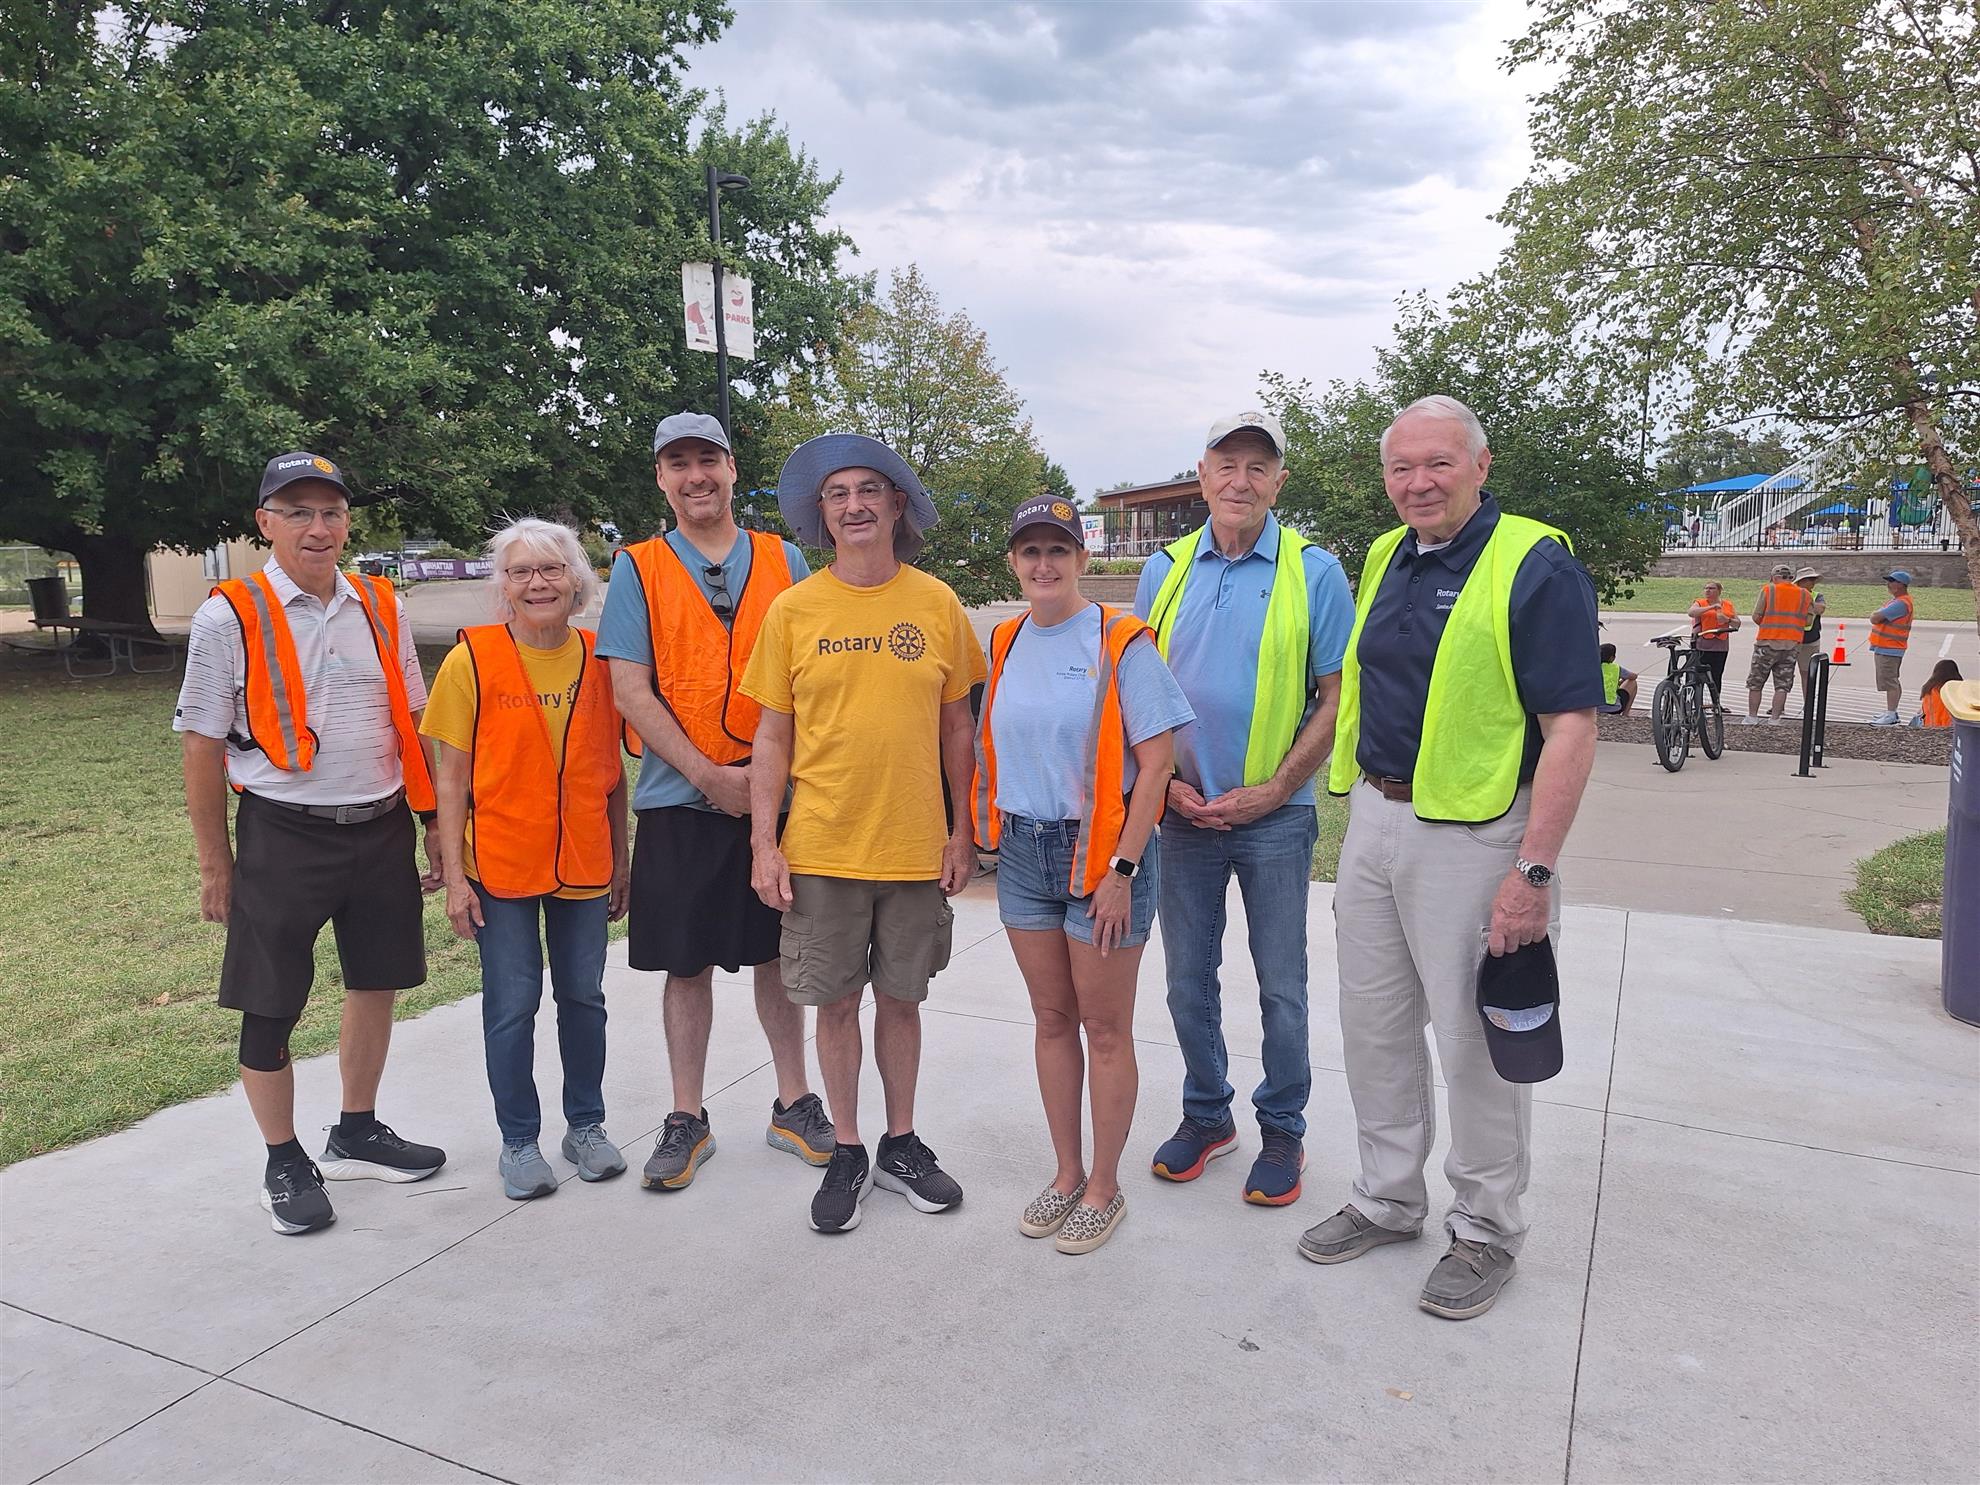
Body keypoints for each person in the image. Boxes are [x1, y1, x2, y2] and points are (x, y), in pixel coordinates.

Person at [1302, 395, 1600, 1321]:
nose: (1418, 483)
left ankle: (1486, 1228)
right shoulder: (1389, 553)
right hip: (1379, 823)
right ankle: (1389, 1197)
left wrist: (1534, 871)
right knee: (1376, 1027)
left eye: (1438, 464)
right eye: (1401, 468)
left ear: (1481, 465)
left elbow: (1572, 727)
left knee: (1473, 1045)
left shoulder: (1534, 563)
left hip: (1476, 837)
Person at [176, 452, 446, 1236]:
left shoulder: (379, 603)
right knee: (270, 1000)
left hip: (382, 823)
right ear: (264, 523)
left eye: (330, 512)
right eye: (297, 512)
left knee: (376, 980)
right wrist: (214, 862)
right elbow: (200, 743)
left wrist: (431, 825)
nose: (318, 528)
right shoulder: (229, 614)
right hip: (284, 833)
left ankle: (355, 1128)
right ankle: (283, 1156)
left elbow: (413, 715)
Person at [742, 432, 987, 1234]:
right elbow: (771, 738)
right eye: (838, 493)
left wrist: (961, 832)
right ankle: (846, 1146)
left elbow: (959, 729)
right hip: (822, 846)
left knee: (903, 1001)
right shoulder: (793, 609)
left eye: (869, 490)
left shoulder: (937, 604)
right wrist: (764, 842)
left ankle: (902, 1142)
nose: (854, 504)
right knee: (836, 1003)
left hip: (915, 845)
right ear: (824, 512)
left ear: (897, 506)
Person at [596, 413, 832, 1190]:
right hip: (680, 799)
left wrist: (765, 785)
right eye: (678, 463)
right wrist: (708, 775)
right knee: (685, 962)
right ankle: (687, 1115)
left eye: (708, 459)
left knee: (780, 954)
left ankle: (793, 1102)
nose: (695, 475)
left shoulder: (784, 557)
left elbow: (809, 678)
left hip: (781, 801)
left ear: (733, 470)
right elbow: (629, 688)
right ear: (660, 479)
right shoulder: (638, 567)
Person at [1132, 409, 1355, 1206]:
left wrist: (1273, 787)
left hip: (1275, 819)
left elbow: (1335, 696)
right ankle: (1206, 1114)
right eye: (1227, 464)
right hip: (1182, 817)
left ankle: (1283, 1130)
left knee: (1281, 984)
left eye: (1258, 467)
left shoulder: (1315, 571)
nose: (1241, 480)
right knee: (1187, 980)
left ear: (1278, 482)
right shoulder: (1164, 570)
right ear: (1203, 476)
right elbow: (1139, 690)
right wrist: (1164, 788)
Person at [972, 497, 1193, 1255]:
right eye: (1029, 550)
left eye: (1058, 550)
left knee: (1104, 1028)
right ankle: (1066, 1173)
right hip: (1026, 854)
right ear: (1014, 562)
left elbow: (1157, 764)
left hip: (1102, 858)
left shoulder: (1121, 641)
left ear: (1083, 559)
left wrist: (1123, 870)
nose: (1044, 564)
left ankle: (1105, 1185)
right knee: (1051, 1019)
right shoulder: (1005, 640)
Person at [423, 519, 630, 1200]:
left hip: (583, 862)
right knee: (511, 1004)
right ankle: (519, 1141)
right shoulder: (471, 660)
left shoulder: (603, 658)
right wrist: (455, 878)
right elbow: (448, 779)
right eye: (520, 571)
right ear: (502, 586)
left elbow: (612, 773)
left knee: (585, 999)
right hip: (501, 868)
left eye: (551, 569)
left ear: (577, 579)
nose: (537, 582)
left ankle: (587, 1127)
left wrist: (622, 862)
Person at [1742, 563, 1811, 726]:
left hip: (1767, 642)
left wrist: (1769, 625)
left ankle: (1752, 717)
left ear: (1774, 577)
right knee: (1782, 685)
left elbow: (1756, 615)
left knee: (1756, 682)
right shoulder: (1804, 594)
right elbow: (1808, 620)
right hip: (1791, 644)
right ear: (1791, 578)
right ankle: (1775, 719)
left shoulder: (1769, 590)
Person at [1868, 570, 1914, 725]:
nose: (1888, 584)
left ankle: (1891, 714)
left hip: (1890, 648)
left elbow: (1875, 618)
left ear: (1900, 585)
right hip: (1887, 647)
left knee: (1889, 681)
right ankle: (1891, 712)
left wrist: (1876, 614)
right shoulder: (1897, 601)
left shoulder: (1901, 603)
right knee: (1892, 680)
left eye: (1891, 581)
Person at [1687, 581, 1738, 700]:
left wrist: (1727, 620)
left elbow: (1737, 623)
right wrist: (1711, 607)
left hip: (1720, 645)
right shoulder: (1700, 603)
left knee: (1717, 675)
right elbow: (1691, 613)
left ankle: (1716, 702)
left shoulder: (1728, 605)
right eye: (1706, 588)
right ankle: (1695, 702)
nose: (1708, 591)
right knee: (1697, 675)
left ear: (1719, 591)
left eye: (1711, 588)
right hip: (1702, 644)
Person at [1794, 567, 1827, 704]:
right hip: (1792, 638)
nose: (1812, 582)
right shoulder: (1791, 594)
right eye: (1809, 579)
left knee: (1807, 673)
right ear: (1801, 581)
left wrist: (1807, 601)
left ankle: (1808, 704)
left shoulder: (1817, 595)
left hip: (1810, 640)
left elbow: (1820, 609)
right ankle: (1779, 705)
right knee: (1785, 673)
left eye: (1814, 579)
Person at [1917, 660, 1961, 728]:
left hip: (1928, 729)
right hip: (1949, 730)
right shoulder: (1957, 690)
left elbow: (1922, 713)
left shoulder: (1929, 689)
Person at [1596, 643, 1637, 716]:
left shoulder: (1592, 667)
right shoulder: (1615, 668)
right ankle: (1625, 714)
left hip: (1594, 708)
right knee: (1633, 683)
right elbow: (1633, 677)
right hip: (1614, 708)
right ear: (1612, 658)